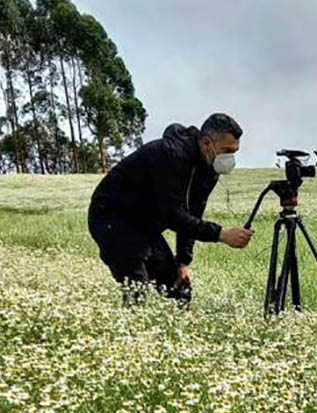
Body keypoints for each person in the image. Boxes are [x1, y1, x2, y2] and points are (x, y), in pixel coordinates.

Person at [87, 113, 254, 305]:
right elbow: (173, 216)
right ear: (207, 143)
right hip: (112, 217)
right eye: (226, 151)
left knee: (179, 287)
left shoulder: (209, 169)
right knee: (136, 285)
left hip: (145, 225)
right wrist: (221, 234)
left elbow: (192, 214)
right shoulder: (169, 155)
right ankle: (131, 331)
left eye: (234, 152)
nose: (230, 158)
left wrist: (183, 262)